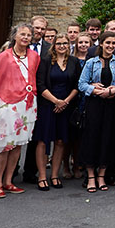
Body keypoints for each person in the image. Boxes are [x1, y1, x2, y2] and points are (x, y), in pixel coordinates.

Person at [0, 24, 40, 198]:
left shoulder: (34, 57)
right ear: (14, 36)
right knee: (4, 145)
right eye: (22, 34)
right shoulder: (4, 57)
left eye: (29, 35)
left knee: (18, 144)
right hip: (7, 104)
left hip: (27, 104)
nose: (25, 37)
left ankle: (9, 181)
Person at [77, 34, 115, 193]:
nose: (111, 46)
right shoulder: (91, 62)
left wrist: (113, 90)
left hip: (113, 105)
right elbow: (81, 84)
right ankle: (91, 176)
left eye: (114, 43)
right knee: (92, 139)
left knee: (108, 139)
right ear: (101, 44)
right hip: (94, 105)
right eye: (107, 43)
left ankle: (102, 175)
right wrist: (95, 90)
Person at [33, 33, 79, 190]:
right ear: (54, 45)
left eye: (65, 43)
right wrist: (55, 101)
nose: (62, 46)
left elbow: (77, 85)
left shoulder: (73, 62)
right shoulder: (45, 61)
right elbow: (40, 85)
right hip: (48, 105)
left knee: (60, 141)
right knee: (43, 140)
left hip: (66, 106)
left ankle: (54, 175)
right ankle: (42, 176)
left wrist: (65, 102)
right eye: (59, 43)